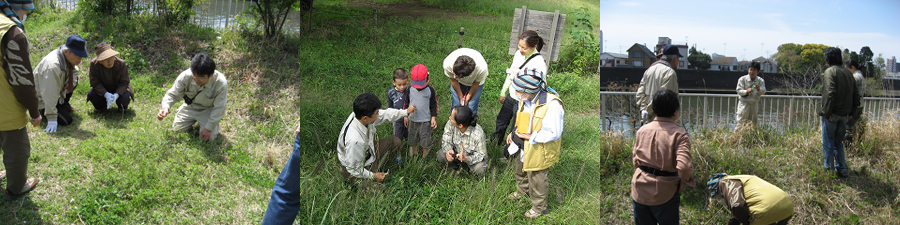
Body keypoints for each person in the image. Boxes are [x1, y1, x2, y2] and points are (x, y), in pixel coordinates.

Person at [261, 93, 415, 224]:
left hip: (368, 153)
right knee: (380, 194)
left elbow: (385, 115)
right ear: (367, 118)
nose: (379, 114)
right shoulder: (355, 139)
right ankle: (360, 184)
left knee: (395, 142)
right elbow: (353, 168)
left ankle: (378, 168)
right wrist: (373, 176)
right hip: (353, 168)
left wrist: (405, 112)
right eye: (376, 112)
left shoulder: (361, 116)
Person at [505, 67, 563, 219]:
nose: (516, 94)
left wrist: (532, 136)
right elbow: (520, 118)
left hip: (539, 148)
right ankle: (521, 191)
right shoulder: (525, 99)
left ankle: (539, 208)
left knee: (537, 178)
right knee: (520, 169)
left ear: (530, 90)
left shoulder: (552, 105)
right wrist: (513, 133)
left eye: (519, 91)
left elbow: (554, 132)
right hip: (522, 144)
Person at [631, 89, 695, 225]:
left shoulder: (642, 130)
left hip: (639, 188)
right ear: (675, 110)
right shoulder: (679, 134)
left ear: (654, 108)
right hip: (666, 191)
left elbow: (636, 159)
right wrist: (685, 181)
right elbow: (684, 167)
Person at [0, 13, 40, 200]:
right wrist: (34, 110)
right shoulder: (11, 32)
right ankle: (16, 187)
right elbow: (22, 79)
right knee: (17, 150)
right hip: (5, 108)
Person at [492, 30, 547, 147]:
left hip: (524, 101)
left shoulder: (539, 63)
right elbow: (511, 73)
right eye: (519, 46)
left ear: (534, 47)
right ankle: (495, 142)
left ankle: (509, 154)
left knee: (517, 128)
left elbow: (541, 86)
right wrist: (503, 92)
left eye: (524, 48)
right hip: (511, 95)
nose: (520, 50)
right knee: (501, 120)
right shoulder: (518, 54)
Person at [157, 53, 228, 142]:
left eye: (201, 78)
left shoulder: (220, 83)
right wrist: (166, 107)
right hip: (190, 107)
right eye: (195, 76)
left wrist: (209, 128)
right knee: (177, 131)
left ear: (211, 74)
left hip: (208, 110)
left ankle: (212, 126)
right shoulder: (185, 76)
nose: (197, 80)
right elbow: (172, 94)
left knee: (207, 140)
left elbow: (219, 108)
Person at [818, 47, 860, 178]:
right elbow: (856, 95)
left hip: (832, 114)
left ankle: (828, 170)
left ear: (828, 59)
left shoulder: (830, 71)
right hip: (844, 114)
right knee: (838, 142)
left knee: (828, 142)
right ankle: (842, 168)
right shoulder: (848, 73)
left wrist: (827, 111)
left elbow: (830, 93)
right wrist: (852, 112)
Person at [34, 34, 88, 133]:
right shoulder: (52, 67)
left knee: (73, 83)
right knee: (66, 120)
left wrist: (70, 84)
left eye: (81, 56)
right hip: (41, 100)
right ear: (66, 52)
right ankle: (45, 111)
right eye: (77, 56)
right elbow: (49, 93)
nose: (80, 60)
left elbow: (74, 71)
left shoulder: (68, 57)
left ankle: (62, 104)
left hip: (54, 92)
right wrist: (52, 118)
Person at [706, 173, 794, 225]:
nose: (717, 200)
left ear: (717, 191)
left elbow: (737, 206)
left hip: (766, 210)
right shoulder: (743, 178)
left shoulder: (725, 183)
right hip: (787, 206)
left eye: (715, 197)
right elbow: (735, 215)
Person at [636, 44, 681, 124]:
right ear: (674, 58)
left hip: (647, 118)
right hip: (663, 119)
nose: (679, 60)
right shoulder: (669, 72)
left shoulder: (649, 70)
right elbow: (663, 98)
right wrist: (648, 110)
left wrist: (644, 110)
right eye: (679, 58)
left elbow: (640, 93)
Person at [438, 106, 489, 175]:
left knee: (480, 168)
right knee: (440, 155)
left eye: (452, 118)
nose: (449, 118)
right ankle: (454, 166)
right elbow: (446, 139)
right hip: (455, 153)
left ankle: (469, 170)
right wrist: (448, 150)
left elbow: (481, 155)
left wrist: (467, 158)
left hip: (470, 157)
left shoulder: (478, 134)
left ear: (460, 125)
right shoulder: (450, 123)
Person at [87, 42, 133, 113]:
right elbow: (94, 82)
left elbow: (124, 82)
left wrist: (117, 94)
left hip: (118, 88)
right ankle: (101, 108)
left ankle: (122, 108)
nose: (110, 61)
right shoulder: (94, 64)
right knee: (92, 94)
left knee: (125, 98)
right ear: (100, 61)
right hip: (103, 88)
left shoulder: (121, 64)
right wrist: (105, 94)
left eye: (112, 57)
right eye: (106, 59)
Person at [404, 64, 438, 157]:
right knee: (412, 139)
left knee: (425, 139)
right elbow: (406, 103)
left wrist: (433, 117)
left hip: (425, 121)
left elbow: (433, 105)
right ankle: (414, 154)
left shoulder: (430, 90)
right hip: (412, 120)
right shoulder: (409, 90)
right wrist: (405, 116)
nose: (418, 87)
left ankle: (424, 157)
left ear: (428, 79)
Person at [443, 47, 488, 115]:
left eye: (457, 75)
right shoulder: (448, 63)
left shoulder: (481, 69)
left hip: (475, 83)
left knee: (471, 106)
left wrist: (467, 98)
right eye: (454, 73)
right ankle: (454, 122)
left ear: (469, 74)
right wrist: (461, 97)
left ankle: (471, 123)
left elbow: (476, 84)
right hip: (458, 83)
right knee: (456, 104)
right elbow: (454, 80)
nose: (454, 76)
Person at [735, 61, 767, 126]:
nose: (752, 72)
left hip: (754, 104)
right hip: (744, 104)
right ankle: (738, 136)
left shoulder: (760, 81)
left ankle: (752, 136)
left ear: (758, 71)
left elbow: (763, 91)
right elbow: (738, 90)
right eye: (750, 69)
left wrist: (759, 89)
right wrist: (746, 91)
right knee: (740, 123)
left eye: (754, 70)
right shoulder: (742, 79)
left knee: (753, 124)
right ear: (748, 70)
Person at [844, 59, 865, 145]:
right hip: (860, 104)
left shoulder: (856, 77)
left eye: (847, 69)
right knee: (857, 125)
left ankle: (848, 146)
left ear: (852, 68)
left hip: (854, 105)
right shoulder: (861, 76)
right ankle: (857, 145)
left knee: (849, 126)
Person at [387, 67, 409, 141]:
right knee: (397, 135)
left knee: (408, 133)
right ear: (394, 82)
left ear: (407, 81)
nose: (402, 87)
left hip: (408, 116)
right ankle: (397, 147)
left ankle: (408, 144)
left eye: (404, 84)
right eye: (399, 85)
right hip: (396, 117)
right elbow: (390, 105)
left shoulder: (409, 91)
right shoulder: (391, 93)